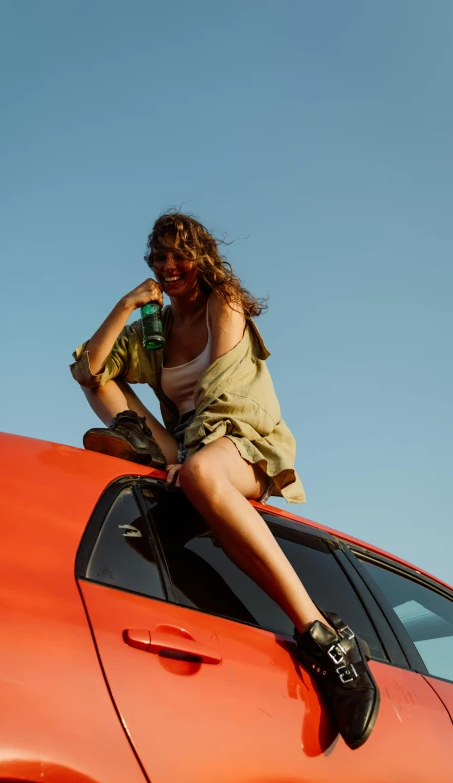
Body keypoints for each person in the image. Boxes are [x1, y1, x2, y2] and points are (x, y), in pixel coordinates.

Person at [70, 212, 379, 749]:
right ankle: (144, 441)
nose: (168, 267)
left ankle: (324, 637)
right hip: (187, 448)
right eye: (157, 258)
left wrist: (187, 460)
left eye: (177, 255)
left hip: (242, 439)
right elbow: (87, 371)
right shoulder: (156, 328)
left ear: (202, 257)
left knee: (201, 473)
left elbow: (225, 394)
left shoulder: (224, 301)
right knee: (106, 385)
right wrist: (126, 306)